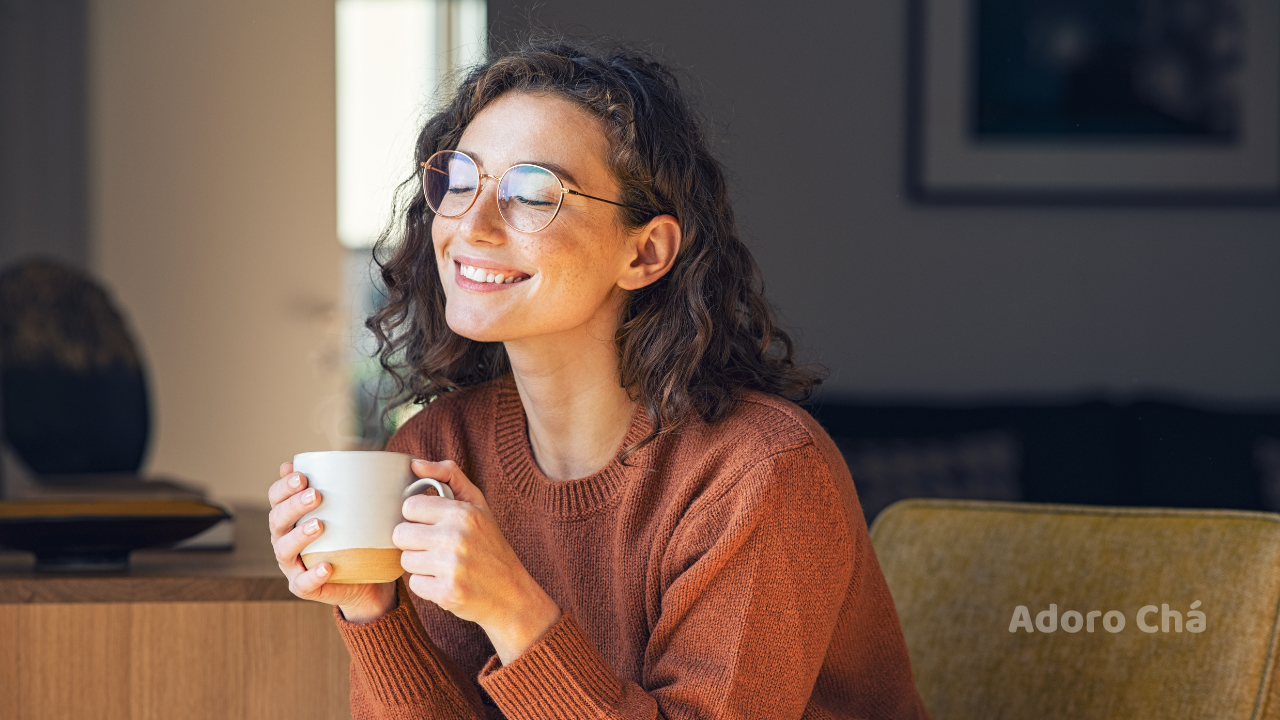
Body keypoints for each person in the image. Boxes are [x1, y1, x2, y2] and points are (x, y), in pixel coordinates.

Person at [268, 37, 928, 720]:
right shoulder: (439, 452)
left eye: (532, 193)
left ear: (644, 253)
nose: (473, 223)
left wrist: (515, 610)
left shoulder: (758, 473)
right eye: (461, 179)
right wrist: (372, 611)